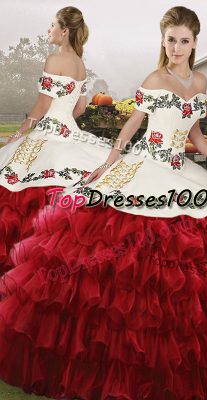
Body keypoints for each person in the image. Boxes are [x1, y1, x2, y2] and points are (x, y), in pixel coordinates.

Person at [0, 6, 207, 400]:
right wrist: (110, 163)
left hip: (182, 168)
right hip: (144, 164)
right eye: (171, 39)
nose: (176, 47)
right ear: (163, 41)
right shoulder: (154, 77)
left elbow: (193, 129)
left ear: (195, 42)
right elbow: (131, 125)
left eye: (184, 41)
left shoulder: (201, 80)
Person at [0, 6, 112, 276]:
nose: (48, 30)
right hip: (70, 131)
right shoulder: (81, 64)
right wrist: (66, 121)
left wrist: (15, 136)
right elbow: (81, 108)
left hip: (48, 131)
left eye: (52, 26)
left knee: (18, 186)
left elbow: (41, 107)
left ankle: (21, 265)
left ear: (64, 31)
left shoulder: (54, 59)